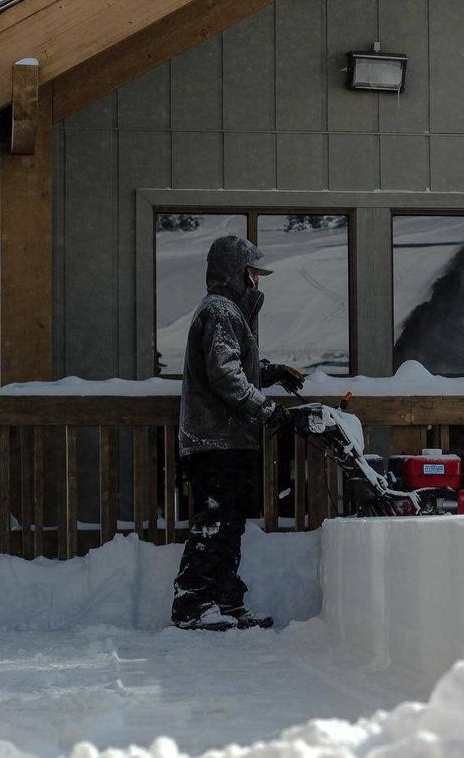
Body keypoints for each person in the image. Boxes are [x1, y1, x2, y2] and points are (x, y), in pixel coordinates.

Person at [172, 235, 305, 631]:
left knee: (229, 524)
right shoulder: (220, 311)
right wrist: (266, 410)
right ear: (234, 272)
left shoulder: (228, 312)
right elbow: (224, 375)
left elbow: (236, 367)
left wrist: (272, 372)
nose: (256, 279)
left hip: (227, 439)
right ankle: (192, 605)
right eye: (251, 272)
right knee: (215, 522)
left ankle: (226, 601)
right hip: (214, 439)